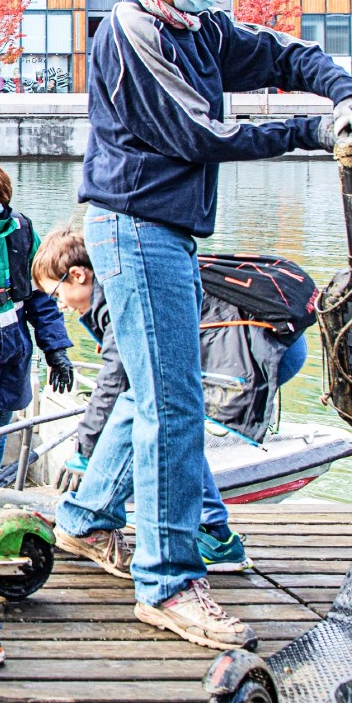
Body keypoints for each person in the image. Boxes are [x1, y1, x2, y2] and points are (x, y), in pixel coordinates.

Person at [80, 0, 352, 649]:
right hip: (135, 227)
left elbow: (286, 56)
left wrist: (346, 98)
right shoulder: (134, 32)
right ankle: (170, 583)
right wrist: (310, 132)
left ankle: (86, 520)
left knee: (151, 394)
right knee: (174, 407)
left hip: (165, 229)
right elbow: (199, 135)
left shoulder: (201, 30)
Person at [31, 227, 316, 577]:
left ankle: (204, 531)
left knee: (157, 411)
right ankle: (206, 531)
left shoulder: (120, 294)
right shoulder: (113, 279)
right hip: (269, 342)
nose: (58, 304)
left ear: (78, 274)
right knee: (168, 417)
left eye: (56, 293)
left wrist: (86, 447)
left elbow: (116, 378)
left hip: (260, 350)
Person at [0, 158, 75, 482]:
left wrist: (56, 349)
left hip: (11, 349)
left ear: (4, 198)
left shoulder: (23, 231)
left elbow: (41, 296)